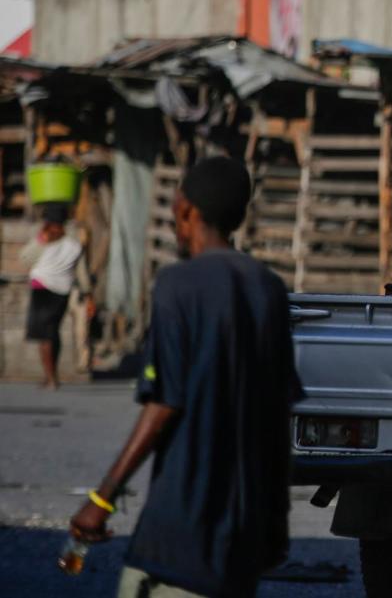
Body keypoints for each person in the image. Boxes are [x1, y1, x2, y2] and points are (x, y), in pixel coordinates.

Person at [68, 156, 302, 598]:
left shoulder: (178, 284)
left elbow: (164, 405)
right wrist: (276, 523)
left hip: (179, 534)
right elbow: (278, 418)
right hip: (242, 538)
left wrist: (101, 500)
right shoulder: (268, 288)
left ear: (185, 209)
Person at [21, 202, 89, 389]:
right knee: (53, 333)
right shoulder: (73, 244)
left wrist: (41, 241)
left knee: (45, 336)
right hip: (63, 292)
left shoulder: (45, 241)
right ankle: (52, 375)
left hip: (42, 290)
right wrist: (86, 291)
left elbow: (25, 258)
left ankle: (50, 378)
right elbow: (82, 271)